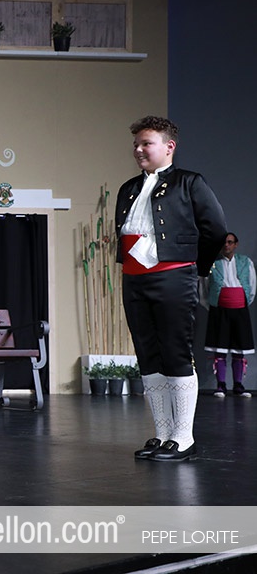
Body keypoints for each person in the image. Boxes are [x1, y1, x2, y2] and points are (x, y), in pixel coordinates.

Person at [115, 116, 226, 462]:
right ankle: (163, 433)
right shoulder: (128, 188)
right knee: (148, 355)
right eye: (136, 144)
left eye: (146, 143)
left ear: (169, 146)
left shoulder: (190, 182)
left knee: (176, 353)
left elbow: (215, 230)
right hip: (134, 278)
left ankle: (183, 437)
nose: (138, 150)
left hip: (174, 276)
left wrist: (195, 269)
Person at [204, 232, 255, 398]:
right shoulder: (213, 264)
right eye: (224, 243)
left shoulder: (246, 262)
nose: (227, 245)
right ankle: (221, 385)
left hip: (239, 310)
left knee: (239, 349)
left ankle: (238, 385)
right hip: (220, 311)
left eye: (230, 242)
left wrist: (241, 301)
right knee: (219, 349)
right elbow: (204, 287)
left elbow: (252, 286)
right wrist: (212, 304)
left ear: (235, 244)